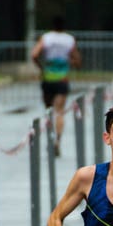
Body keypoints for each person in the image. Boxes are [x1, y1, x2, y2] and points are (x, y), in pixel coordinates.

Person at [31, 16, 81, 154]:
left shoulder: (46, 38)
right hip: (62, 79)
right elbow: (77, 60)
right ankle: (57, 141)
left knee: (49, 111)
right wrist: (69, 62)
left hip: (47, 78)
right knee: (59, 111)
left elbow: (34, 54)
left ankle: (50, 137)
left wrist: (41, 67)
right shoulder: (69, 39)